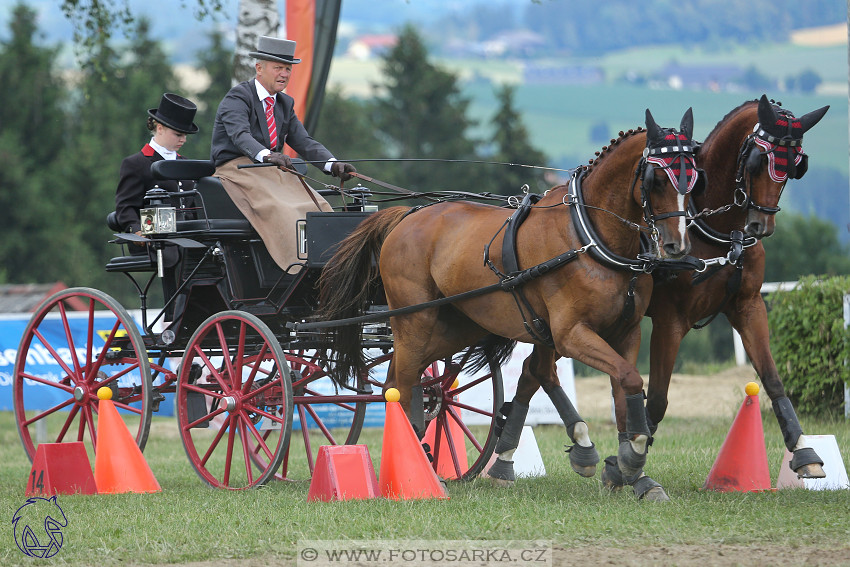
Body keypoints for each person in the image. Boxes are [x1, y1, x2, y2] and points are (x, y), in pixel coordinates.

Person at [210, 35, 356, 272]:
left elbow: (304, 141)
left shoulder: (284, 104)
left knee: (319, 206)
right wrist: (267, 155)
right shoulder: (238, 97)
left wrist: (332, 164)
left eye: (288, 69)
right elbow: (240, 135)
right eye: (278, 68)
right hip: (237, 170)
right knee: (283, 209)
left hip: (271, 170)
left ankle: (332, 267)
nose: (284, 74)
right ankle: (296, 269)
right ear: (259, 68)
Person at [115, 92, 200, 239]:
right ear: (160, 128)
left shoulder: (186, 164)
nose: (184, 140)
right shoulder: (136, 163)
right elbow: (126, 207)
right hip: (155, 246)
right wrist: (137, 230)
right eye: (178, 134)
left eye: (185, 135)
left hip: (191, 243)